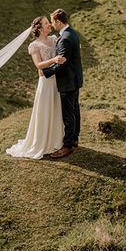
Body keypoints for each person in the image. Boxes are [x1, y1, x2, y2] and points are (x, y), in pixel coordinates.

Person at [6, 16, 66, 159]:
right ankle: (41, 142)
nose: (49, 25)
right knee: (45, 110)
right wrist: (53, 60)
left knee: (57, 109)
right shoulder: (34, 45)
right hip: (45, 82)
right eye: (46, 23)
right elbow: (38, 65)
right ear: (39, 28)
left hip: (56, 80)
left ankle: (57, 140)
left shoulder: (53, 39)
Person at [43, 9, 83, 158]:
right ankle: (74, 139)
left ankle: (67, 146)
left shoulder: (65, 38)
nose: (52, 25)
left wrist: (46, 73)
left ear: (59, 22)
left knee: (68, 114)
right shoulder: (72, 32)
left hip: (68, 81)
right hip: (75, 79)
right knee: (74, 110)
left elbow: (61, 63)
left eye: (52, 22)